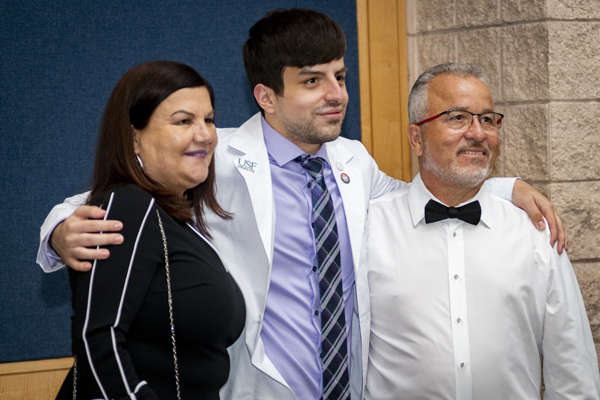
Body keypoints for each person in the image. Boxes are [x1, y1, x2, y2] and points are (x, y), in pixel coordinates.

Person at [39, 10, 567, 400]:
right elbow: (109, 193)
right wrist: (60, 231)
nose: (335, 94)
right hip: (257, 389)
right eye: (312, 81)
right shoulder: (215, 157)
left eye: (340, 76)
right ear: (266, 96)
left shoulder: (355, 161)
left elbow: (421, 195)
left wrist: (503, 188)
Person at [364, 62, 599, 399]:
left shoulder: (535, 232)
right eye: (457, 118)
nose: (477, 133)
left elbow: (572, 370)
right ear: (417, 138)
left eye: (487, 119)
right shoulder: (368, 230)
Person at [54, 61, 245, 400]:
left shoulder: (177, 222)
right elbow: (97, 340)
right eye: (184, 121)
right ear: (133, 138)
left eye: (209, 119)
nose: (205, 135)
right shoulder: (129, 207)